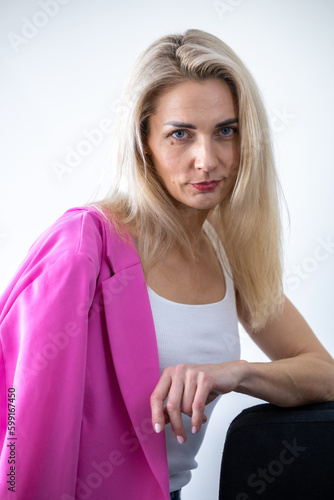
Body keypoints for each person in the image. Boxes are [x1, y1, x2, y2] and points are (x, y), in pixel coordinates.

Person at [0, 29, 334, 500]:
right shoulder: (84, 246)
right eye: (180, 134)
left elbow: (324, 373)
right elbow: (18, 422)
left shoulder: (228, 254)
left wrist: (235, 373)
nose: (207, 160)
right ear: (144, 142)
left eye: (226, 131)